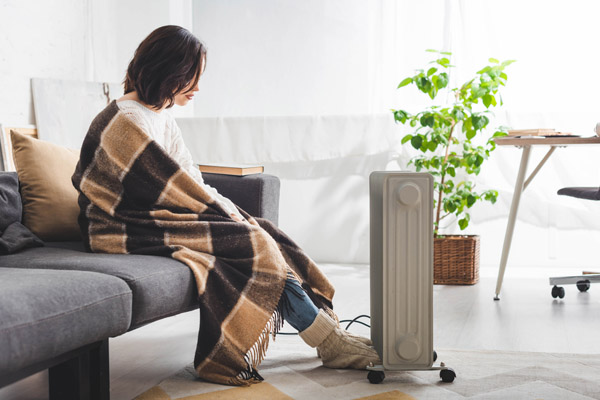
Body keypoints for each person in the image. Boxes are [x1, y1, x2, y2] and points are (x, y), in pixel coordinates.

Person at [72, 25, 379, 386]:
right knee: (254, 244)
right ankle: (328, 342)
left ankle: (328, 333)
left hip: (152, 217)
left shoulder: (160, 115)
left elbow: (188, 177)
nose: (197, 88)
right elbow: (161, 188)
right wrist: (219, 210)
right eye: (190, 77)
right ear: (166, 71)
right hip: (120, 226)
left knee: (263, 230)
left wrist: (226, 206)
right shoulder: (126, 119)